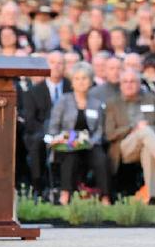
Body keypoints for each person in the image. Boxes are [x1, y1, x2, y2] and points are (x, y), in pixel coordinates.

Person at [104, 70, 155, 204]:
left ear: (140, 84)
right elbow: (110, 134)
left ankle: (152, 198)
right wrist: (132, 127)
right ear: (120, 85)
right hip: (123, 147)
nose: (129, 85)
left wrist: (146, 129)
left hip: (148, 145)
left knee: (148, 149)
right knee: (143, 131)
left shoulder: (152, 99)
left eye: (133, 81)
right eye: (125, 82)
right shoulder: (113, 103)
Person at [48, 62, 111, 205]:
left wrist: (90, 143)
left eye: (84, 78)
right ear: (72, 82)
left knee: (101, 159)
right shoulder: (63, 101)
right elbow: (53, 127)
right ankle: (65, 194)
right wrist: (61, 140)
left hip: (90, 145)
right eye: (77, 78)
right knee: (70, 157)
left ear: (90, 81)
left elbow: (99, 130)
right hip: (67, 145)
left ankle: (105, 197)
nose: (81, 82)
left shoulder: (96, 103)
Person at [23, 51, 71, 195]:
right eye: (52, 62)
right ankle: (38, 186)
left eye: (60, 63)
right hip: (41, 133)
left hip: (67, 132)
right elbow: (30, 121)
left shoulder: (72, 87)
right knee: (38, 143)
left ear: (65, 67)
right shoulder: (33, 91)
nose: (56, 66)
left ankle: (66, 188)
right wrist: (49, 135)